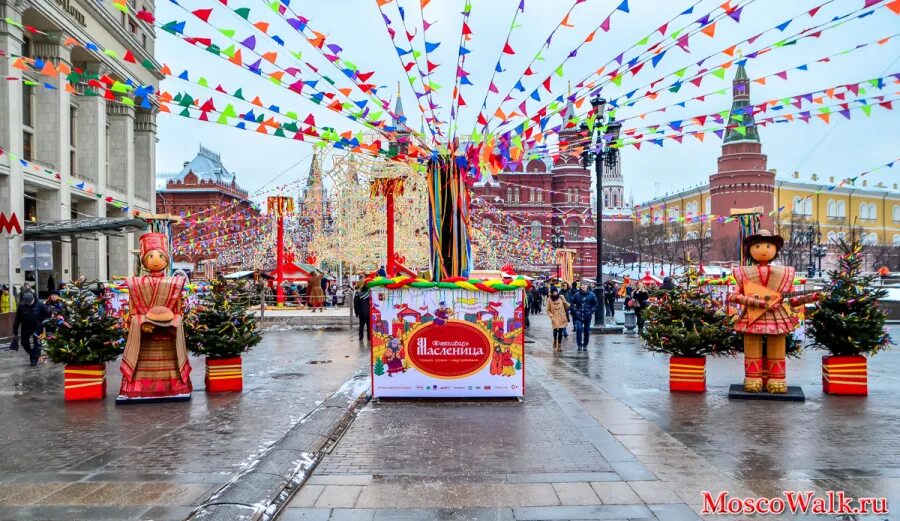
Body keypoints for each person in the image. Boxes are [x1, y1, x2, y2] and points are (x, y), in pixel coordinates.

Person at [13, 292, 49, 366]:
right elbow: (17, 319)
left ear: (33, 299)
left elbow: (46, 315)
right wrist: (15, 331)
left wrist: (43, 324)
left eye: (30, 302)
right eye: (27, 303)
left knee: (37, 344)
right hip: (25, 327)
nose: (29, 304)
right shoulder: (21, 305)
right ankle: (33, 355)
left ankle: (34, 360)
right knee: (24, 343)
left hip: (38, 328)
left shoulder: (40, 304)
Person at [570, 282, 598, 350]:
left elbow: (595, 304)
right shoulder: (577, 295)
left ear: (587, 286)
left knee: (586, 330)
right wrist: (575, 311)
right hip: (579, 315)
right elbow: (572, 304)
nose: (583, 286)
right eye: (581, 285)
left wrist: (591, 311)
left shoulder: (592, 295)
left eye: (584, 285)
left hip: (587, 315)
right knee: (579, 329)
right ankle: (579, 345)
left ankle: (585, 345)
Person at [546, 287, 569, 352]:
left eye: (556, 291)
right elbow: (547, 310)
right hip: (554, 317)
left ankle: (559, 345)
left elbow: (565, 304)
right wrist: (551, 316)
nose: (555, 293)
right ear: (551, 292)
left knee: (561, 331)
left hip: (562, 316)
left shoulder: (561, 297)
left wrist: (566, 304)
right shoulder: (549, 299)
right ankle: (555, 340)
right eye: (553, 292)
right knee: (555, 331)